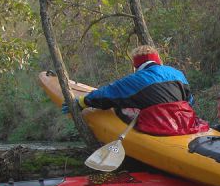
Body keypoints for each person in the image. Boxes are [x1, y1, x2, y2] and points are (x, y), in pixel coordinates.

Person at [63, 45, 209, 135]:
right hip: (186, 123)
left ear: (136, 66)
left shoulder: (135, 80)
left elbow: (108, 94)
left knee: (120, 105)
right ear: (158, 60)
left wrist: (83, 101)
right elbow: (190, 101)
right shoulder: (178, 74)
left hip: (157, 128)